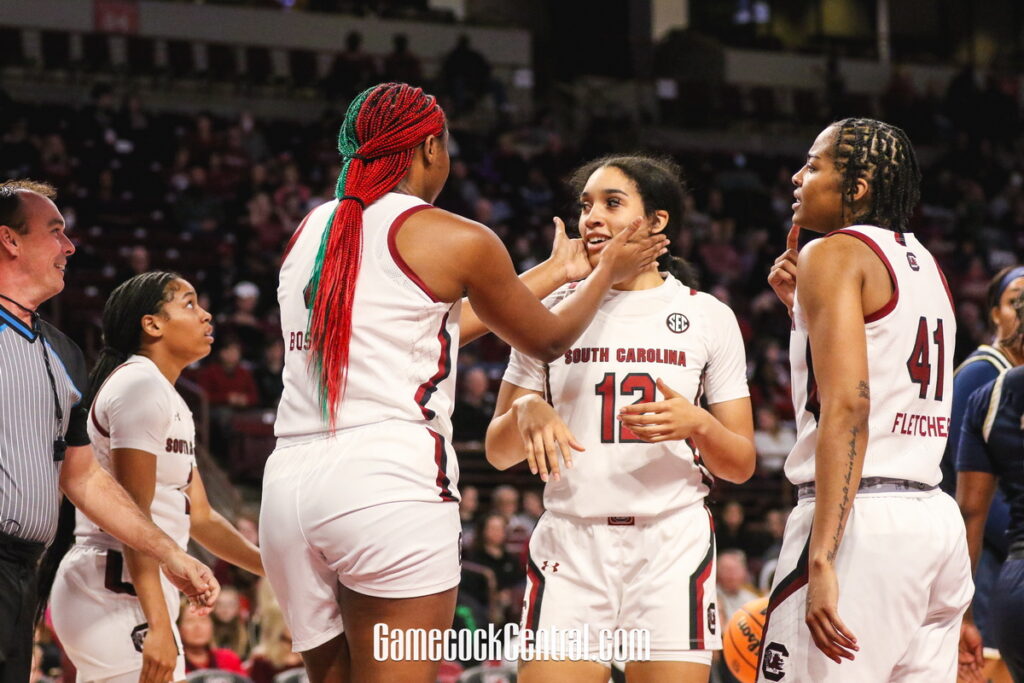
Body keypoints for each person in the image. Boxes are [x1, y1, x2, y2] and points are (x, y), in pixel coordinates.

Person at [260, 82, 666, 683]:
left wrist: (558, 269)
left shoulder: (316, 229)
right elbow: (549, 339)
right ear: (430, 148)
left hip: (288, 488)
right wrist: (606, 272)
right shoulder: (454, 235)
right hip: (385, 481)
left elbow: (437, 328)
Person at [486, 154, 755, 683]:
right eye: (586, 205)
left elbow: (741, 464)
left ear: (657, 222)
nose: (591, 217)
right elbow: (497, 453)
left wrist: (697, 424)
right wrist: (524, 408)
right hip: (571, 541)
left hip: (670, 542)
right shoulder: (547, 310)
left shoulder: (707, 316)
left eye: (612, 203)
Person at [760, 118, 972, 682]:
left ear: (856, 188)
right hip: (932, 521)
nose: (797, 177)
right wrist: (800, 311)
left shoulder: (832, 254)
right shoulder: (926, 262)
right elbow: (888, 363)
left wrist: (823, 556)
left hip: (862, 521)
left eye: (814, 165)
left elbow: (849, 407)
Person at [0, 180, 216, 681]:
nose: (69, 247)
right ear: (10, 240)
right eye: (56, 232)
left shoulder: (65, 353)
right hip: (99, 586)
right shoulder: (140, 387)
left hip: (23, 572)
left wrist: (171, 555)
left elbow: (85, 479)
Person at [50, 271, 265, 683]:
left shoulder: (168, 396)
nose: (206, 316)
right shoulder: (139, 386)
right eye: (189, 304)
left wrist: (273, 569)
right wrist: (160, 625)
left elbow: (200, 517)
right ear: (152, 324)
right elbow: (136, 517)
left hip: (123, 592)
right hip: (113, 591)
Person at [941, 266, 1024, 645]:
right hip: (987, 549)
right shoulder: (980, 372)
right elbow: (966, 483)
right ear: (994, 313)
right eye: (1014, 302)